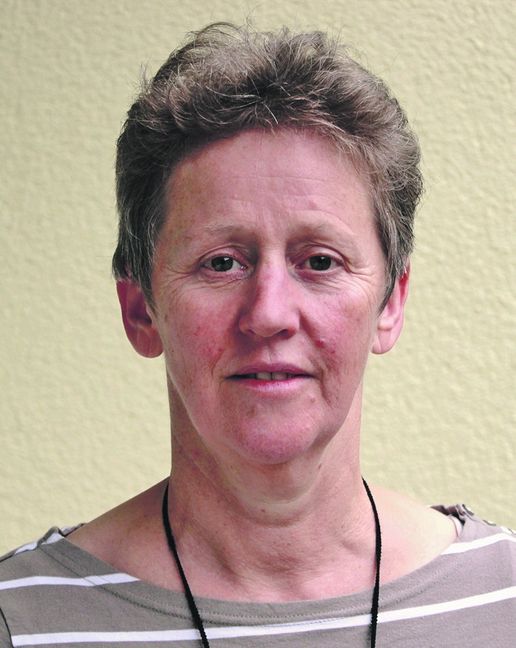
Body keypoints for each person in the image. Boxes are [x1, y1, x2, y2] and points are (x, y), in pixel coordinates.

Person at [0, 23, 514, 648]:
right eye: (222, 263)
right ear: (140, 309)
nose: (269, 314)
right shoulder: (20, 620)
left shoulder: (505, 598)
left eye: (319, 261)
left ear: (390, 303)